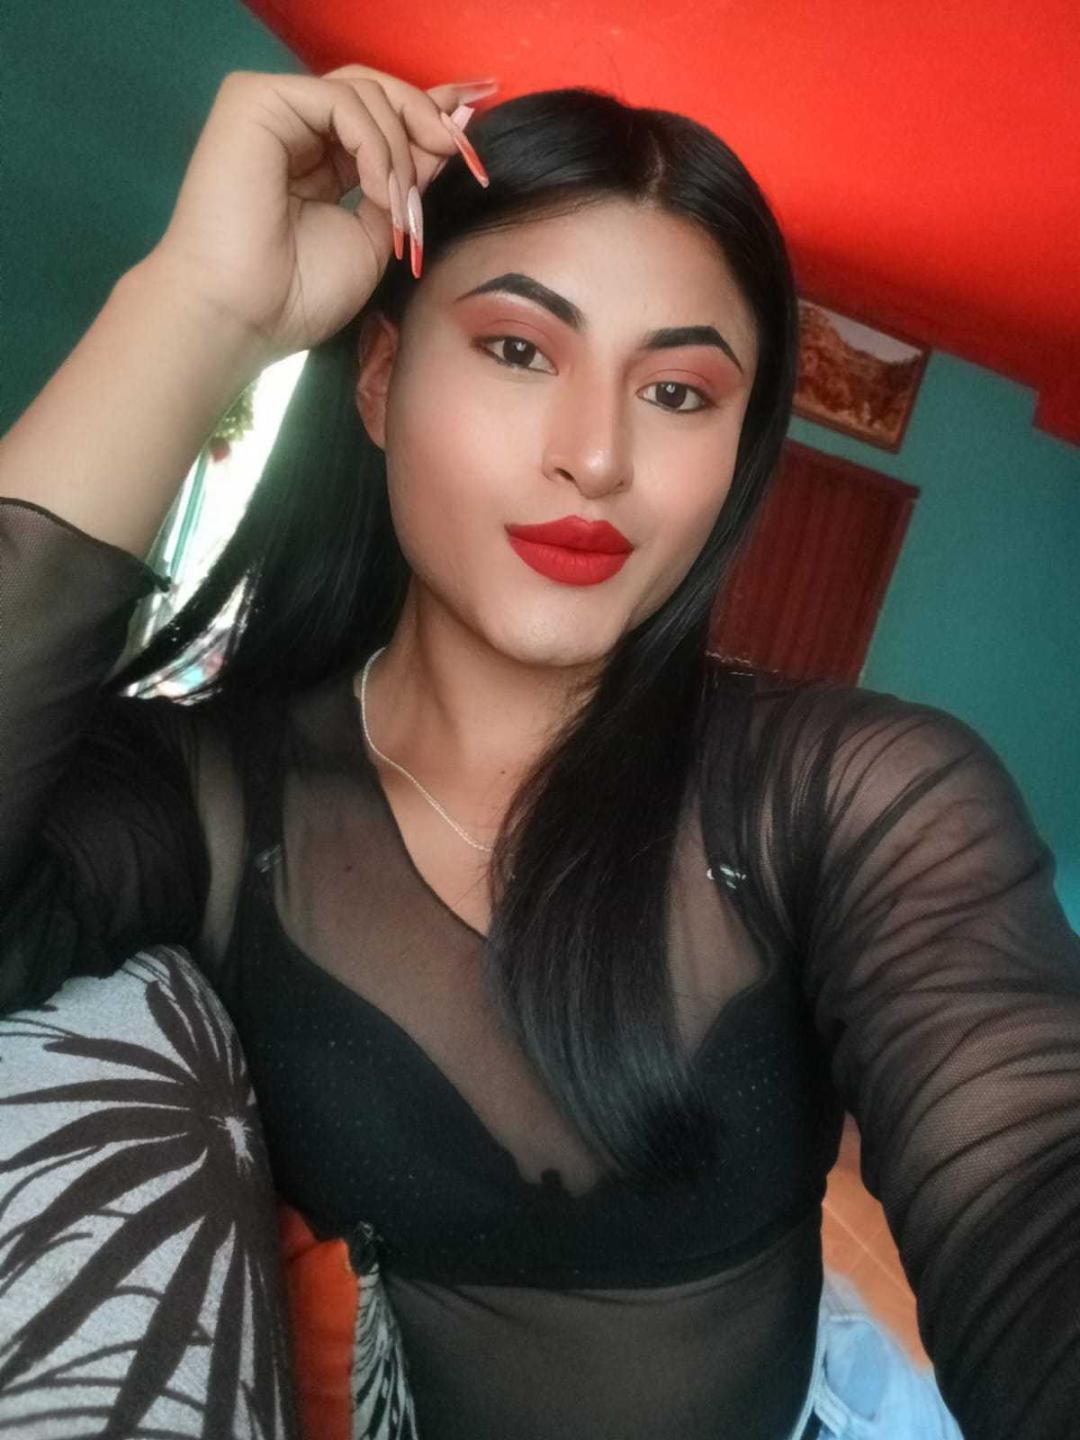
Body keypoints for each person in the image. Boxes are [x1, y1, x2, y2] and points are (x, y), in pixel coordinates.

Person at [1, 62, 1077, 1440]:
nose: (597, 457)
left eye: (678, 392)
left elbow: (1037, 1182)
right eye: (518, 350)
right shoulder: (219, 800)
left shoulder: (853, 795)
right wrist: (195, 307)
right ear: (379, 382)